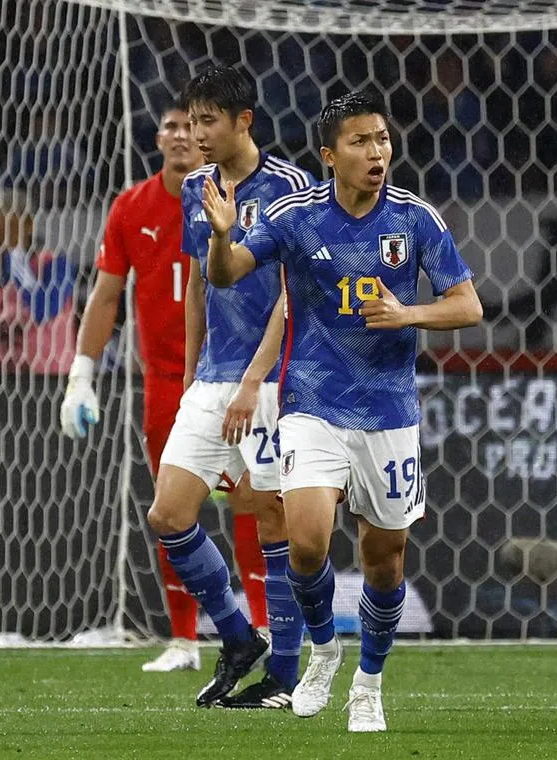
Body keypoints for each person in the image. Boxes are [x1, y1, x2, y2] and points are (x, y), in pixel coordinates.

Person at [202, 90, 482, 732]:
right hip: (312, 404)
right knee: (304, 539)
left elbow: (468, 306)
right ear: (330, 155)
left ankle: (370, 682)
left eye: (382, 139)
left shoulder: (416, 220)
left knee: (385, 557)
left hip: (388, 412)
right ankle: (324, 652)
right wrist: (221, 238)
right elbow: (226, 273)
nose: (377, 152)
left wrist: (410, 313)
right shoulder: (295, 216)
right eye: (360, 142)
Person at [58, 104, 272, 672]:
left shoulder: (246, 196)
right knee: (174, 510)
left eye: (194, 125)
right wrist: (82, 372)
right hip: (166, 381)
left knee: (253, 504)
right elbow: (106, 296)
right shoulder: (131, 207)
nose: (184, 136)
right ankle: (184, 640)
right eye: (174, 127)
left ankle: (266, 628)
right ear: (158, 139)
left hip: (246, 376)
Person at [146, 64, 314, 709]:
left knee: (273, 517)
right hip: (213, 378)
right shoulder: (197, 187)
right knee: (169, 512)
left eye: (207, 121)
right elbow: (198, 287)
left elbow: (293, 292)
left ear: (245, 120)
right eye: (190, 122)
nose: (196, 134)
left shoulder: (293, 189)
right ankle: (239, 637)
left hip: (273, 378)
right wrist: (194, 374)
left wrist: (252, 379)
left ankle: (286, 674)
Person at [0, 187, 76, 375]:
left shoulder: (56, 267)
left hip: (49, 379)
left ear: (28, 225)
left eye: (6, 225)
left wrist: (15, 264)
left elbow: (42, 310)